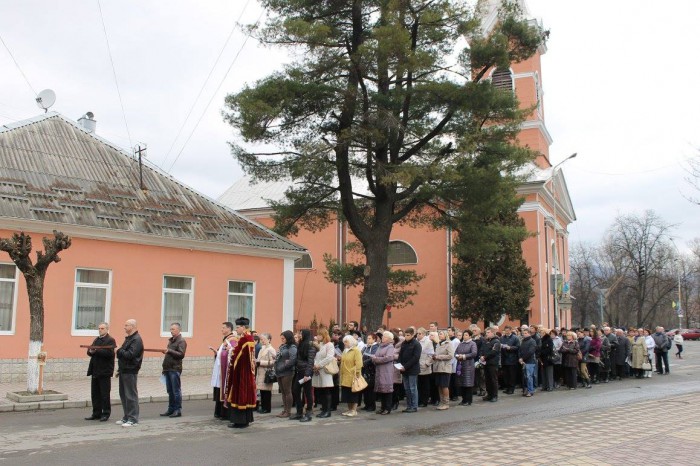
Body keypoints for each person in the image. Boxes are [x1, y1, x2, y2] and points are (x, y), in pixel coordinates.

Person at [225, 317, 257, 428]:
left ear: (243, 327)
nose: (236, 329)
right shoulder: (248, 337)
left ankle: (240, 421)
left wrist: (232, 351)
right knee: (243, 394)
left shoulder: (245, 339)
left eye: (238, 327)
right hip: (245, 371)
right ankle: (245, 420)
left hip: (242, 372)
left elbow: (241, 356)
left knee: (240, 394)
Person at [85, 322, 116, 422]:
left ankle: (105, 413)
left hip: (105, 371)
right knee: (95, 394)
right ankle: (96, 413)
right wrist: (91, 351)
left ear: (107, 329)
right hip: (95, 370)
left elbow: (109, 353)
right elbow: (90, 350)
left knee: (104, 394)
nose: (100, 330)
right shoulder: (97, 339)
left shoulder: (110, 340)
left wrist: (96, 350)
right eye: (99, 328)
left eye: (102, 328)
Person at [115, 319, 144, 427]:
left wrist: (118, 350)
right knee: (124, 395)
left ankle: (133, 419)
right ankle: (126, 417)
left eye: (126, 325)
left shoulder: (136, 339)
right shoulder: (129, 339)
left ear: (132, 326)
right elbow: (123, 354)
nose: (124, 327)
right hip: (124, 369)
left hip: (131, 370)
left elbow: (130, 355)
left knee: (130, 395)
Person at [209, 322, 236, 420]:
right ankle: (219, 412)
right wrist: (217, 353)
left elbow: (231, 352)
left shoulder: (232, 339)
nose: (222, 330)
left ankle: (224, 413)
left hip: (226, 368)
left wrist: (225, 352)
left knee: (224, 389)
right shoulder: (226, 339)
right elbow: (223, 353)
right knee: (219, 388)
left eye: (223, 328)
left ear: (229, 329)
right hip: (221, 368)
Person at [160, 322, 187, 418]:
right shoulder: (171, 341)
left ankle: (177, 410)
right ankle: (171, 409)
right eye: (170, 329)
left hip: (175, 369)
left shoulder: (181, 341)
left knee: (176, 390)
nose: (171, 331)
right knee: (170, 390)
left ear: (179, 330)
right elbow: (171, 353)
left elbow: (181, 354)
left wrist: (169, 351)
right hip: (168, 368)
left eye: (173, 329)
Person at [290, 329, 316, 421]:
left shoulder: (310, 346)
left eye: (301, 333)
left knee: (307, 393)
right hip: (299, 371)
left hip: (306, 372)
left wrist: (307, 374)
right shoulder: (300, 344)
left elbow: (310, 362)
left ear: (305, 334)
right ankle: (299, 412)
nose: (299, 335)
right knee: (295, 390)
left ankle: (308, 413)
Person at [312, 328, 336, 418]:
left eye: (319, 335)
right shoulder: (321, 345)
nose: (317, 336)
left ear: (323, 335)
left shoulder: (329, 345)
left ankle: (327, 411)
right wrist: (315, 365)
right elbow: (317, 357)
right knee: (321, 391)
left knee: (326, 391)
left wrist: (319, 365)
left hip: (325, 370)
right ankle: (323, 409)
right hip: (318, 370)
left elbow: (329, 357)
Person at [371, 331, 396, 415]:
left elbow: (388, 358)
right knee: (381, 390)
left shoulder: (390, 346)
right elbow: (375, 355)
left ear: (389, 339)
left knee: (387, 390)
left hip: (386, 371)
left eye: (385, 337)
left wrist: (376, 359)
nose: (382, 338)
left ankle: (387, 408)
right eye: (383, 336)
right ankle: (382, 407)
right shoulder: (380, 346)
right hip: (379, 370)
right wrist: (375, 359)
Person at [398, 327, 421, 413]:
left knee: (412, 388)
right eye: (405, 335)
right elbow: (400, 355)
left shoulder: (416, 344)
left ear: (412, 335)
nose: (406, 337)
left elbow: (415, 358)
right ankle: (409, 405)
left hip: (412, 369)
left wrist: (406, 366)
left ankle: (414, 406)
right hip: (404, 369)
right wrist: (399, 364)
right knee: (406, 388)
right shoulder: (404, 343)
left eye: (408, 335)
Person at [275, 330, 297, 418]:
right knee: (283, 392)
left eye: (283, 338)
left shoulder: (292, 347)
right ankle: (284, 410)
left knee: (287, 392)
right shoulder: (283, 346)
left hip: (287, 372)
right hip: (279, 371)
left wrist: (283, 366)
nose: (282, 339)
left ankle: (288, 411)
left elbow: (292, 360)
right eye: (281, 338)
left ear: (288, 338)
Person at [339, 334, 363, 417]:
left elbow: (359, 363)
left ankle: (354, 410)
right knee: (346, 393)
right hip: (345, 375)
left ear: (351, 342)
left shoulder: (356, 350)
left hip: (352, 375)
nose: (344, 343)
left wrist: (357, 373)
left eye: (346, 342)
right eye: (344, 342)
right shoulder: (345, 350)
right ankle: (349, 409)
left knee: (353, 393)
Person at [431, 330, 454, 410]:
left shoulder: (449, 344)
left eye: (441, 334)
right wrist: (434, 356)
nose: (439, 335)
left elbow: (450, 356)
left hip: (445, 367)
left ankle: (446, 403)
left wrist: (438, 357)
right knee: (439, 385)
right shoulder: (438, 344)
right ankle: (441, 402)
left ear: (445, 335)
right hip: (437, 367)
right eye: (439, 334)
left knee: (444, 385)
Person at [255, 333, 276, 414]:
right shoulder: (262, 348)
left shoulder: (271, 349)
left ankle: (267, 408)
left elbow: (273, 362)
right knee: (262, 391)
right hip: (260, 372)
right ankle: (263, 407)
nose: (262, 341)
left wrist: (261, 362)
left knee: (267, 392)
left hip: (266, 373)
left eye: (264, 339)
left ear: (269, 340)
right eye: (262, 339)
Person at [454, 329, 477, 406]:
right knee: (462, 383)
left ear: (470, 336)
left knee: (468, 383)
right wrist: (457, 356)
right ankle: (464, 400)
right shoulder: (460, 344)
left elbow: (474, 353)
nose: (464, 336)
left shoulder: (472, 343)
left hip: (469, 365)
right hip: (461, 365)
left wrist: (464, 356)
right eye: (464, 335)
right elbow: (455, 352)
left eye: (466, 335)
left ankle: (468, 400)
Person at [480, 327, 501, 402]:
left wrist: (485, 357)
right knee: (487, 380)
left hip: (492, 363)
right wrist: (481, 356)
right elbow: (482, 349)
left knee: (493, 380)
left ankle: (494, 396)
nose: (487, 334)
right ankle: (489, 394)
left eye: (488, 332)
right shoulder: (486, 341)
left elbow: (494, 352)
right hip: (486, 363)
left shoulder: (496, 341)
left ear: (493, 332)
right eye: (486, 332)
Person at [360, 332, 379, 411]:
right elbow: (361, 354)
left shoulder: (375, 347)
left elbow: (373, 358)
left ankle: (372, 405)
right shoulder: (366, 347)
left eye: (369, 338)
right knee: (365, 388)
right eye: (367, 338)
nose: (368, 340)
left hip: (371, 370)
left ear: (374, 339)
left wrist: (364, 363)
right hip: (364, 369)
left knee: (370, 389)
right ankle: (367, 404)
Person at [500, 325, 520, 395]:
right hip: (504, 359)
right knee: (506, 375)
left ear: (511, 330)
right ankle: (507, 387)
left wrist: (510, 348)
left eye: (508, 330)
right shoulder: (502, 338)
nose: (506, 332)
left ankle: (511, 388)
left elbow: (518, 347)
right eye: (505, 330)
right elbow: (500, 345)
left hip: (512, 359)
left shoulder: (515, 338)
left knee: (512, 375)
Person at [416, 327, 433, 407]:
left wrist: (427, 363)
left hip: (424, 366)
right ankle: (419, 400)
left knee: (425, 385)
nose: (418, 335)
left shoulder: (428, 342)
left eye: (420, 333)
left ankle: (424, 401)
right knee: (419, 384)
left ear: (423, 334)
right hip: (417, 365)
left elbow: (431, 355)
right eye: (417, 333)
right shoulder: (416, 341)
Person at [519, 328, 537, 397]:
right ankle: (525, 390)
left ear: (529, 333)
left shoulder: (532, 341)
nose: (524, 334)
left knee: (529, 376)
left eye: (526, 333)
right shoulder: (523, 341)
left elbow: (531, 351)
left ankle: (530, 391)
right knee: (525, 377)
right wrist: (520, 358)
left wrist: (523, 358)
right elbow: (520, 350)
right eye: (523, 333)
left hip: (530, 361)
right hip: (523, 361)